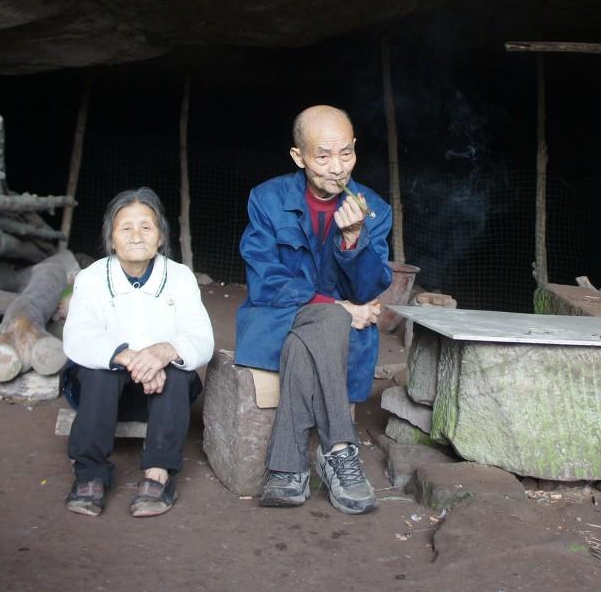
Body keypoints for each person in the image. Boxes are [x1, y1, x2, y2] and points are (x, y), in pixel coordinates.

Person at [234, 105, 393, 514]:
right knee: (329, 318)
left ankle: (287, 469)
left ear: (356, 149)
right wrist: (337, 307)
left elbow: (370, 287)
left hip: (323, 334)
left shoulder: (372, 209)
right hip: (275, 318)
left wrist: (354, 238)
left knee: (317, 333)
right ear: (298, 156)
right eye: (323, 156)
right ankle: (340, 450)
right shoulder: (267, 200)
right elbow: (267, 281)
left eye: (346, 154)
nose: (337, 167)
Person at [61, 187, 214, 518]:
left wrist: (164, 350)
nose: (136, 235)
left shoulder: (179, 277)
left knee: (176, 372)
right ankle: (89, 474)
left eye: (146, 226)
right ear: (111, 239)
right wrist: (128, 356)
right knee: (102, 371)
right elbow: (77, 337)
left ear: (160, 237)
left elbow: (201, 338)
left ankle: (158, 475)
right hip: (98, 395)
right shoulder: (91, 279)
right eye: (125, 228)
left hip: (159, 396)